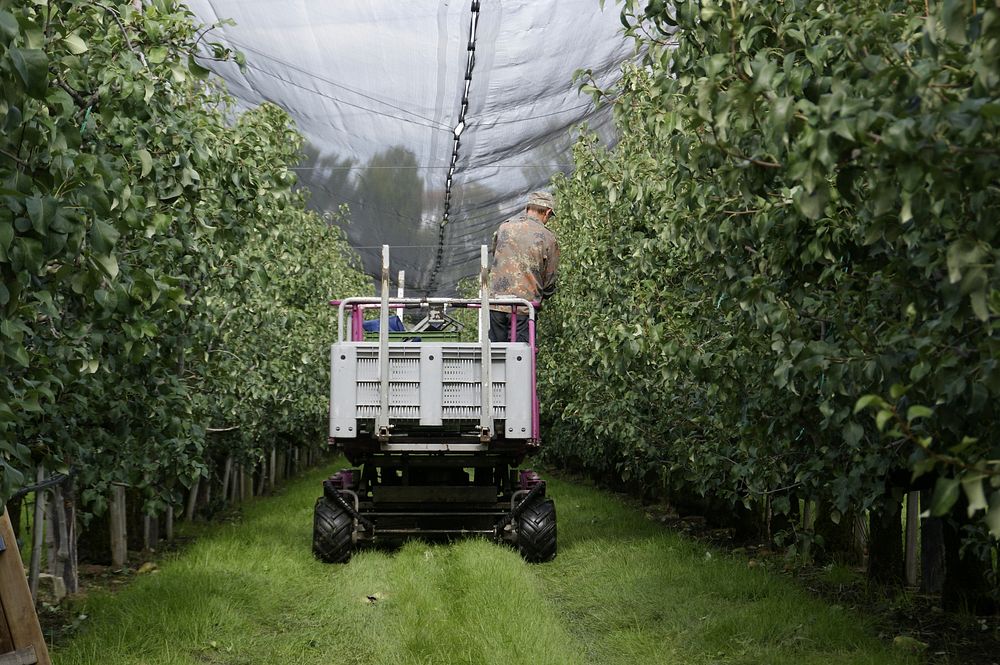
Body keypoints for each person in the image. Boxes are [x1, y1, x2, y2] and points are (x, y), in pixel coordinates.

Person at [487, 191, 560, 343]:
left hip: (496, 305)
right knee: (521, 359)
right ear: (547, 212)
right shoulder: (548, 238)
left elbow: (496, 256)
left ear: (528, 208)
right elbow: (549, 280)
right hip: (524, 307)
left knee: (496, 357)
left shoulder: (504, 228)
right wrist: (545, 294)